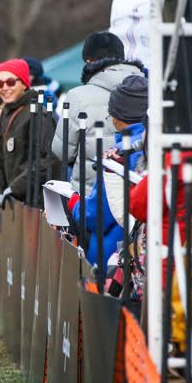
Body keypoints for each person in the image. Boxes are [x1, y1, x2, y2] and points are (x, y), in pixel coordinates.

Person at [68, 75, 148, 274]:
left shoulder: (117, 155)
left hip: (113, 256)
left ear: (115, 116)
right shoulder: (156, 146)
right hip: (145, 253)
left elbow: (96, 214)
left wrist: (73, 204)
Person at [52, 31, 144, 193]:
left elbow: (63, 152)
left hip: (89, 199)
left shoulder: (77, 96)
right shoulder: (147, 89)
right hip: (137, 196)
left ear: (89, 61)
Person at [0, 59, 58, 217]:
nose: (4, 88)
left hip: (36, 205)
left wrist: (15, 189)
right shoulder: (6, 113)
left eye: (11, 82)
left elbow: (48, 160)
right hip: (13, 203)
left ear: (24, 83)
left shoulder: (39, 113)